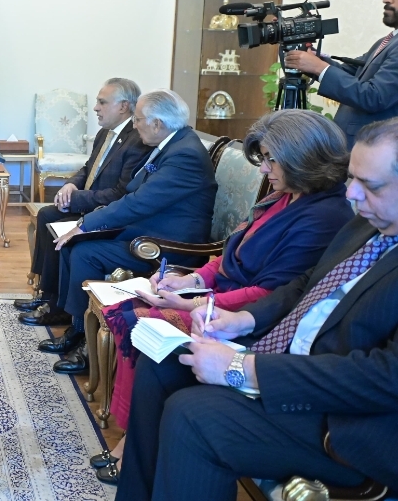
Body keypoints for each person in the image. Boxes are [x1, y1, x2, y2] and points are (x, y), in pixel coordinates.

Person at [116, 117, 398, 501]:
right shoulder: (366, 224)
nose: (352, 193)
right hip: (293, 360)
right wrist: (242, 320)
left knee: (193, 415)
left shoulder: (334, 214)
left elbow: (385, 378)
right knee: (163, 360)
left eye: (371, 185)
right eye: (352, 178)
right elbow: (306, 283)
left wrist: (243, 368)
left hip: (349, 419)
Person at [39, 90, 217, 375]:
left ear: (157, 123)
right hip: (145, 230)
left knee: (85, 251)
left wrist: (84, 224)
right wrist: (87, 225)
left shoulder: (185, 155)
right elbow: (135, 194)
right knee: (74, 244)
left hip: (166, 246)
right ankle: (77, 327)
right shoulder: (172, 144)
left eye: (138, 119)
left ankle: (87, 347)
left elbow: (138, 202)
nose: (134, 125)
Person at [17, 78, 151, 327]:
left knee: (57, 226)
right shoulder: (105, 133)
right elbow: (88, 168)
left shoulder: (137, 141)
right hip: (90, 202)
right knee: (47, 215)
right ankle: (48, 294)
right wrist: (71, 185)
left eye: (102, 102)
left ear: (123, 107)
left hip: (105, 213)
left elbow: (120, 193)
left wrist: (76, 199)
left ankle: (60, 309)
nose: (96, 108)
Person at [285, 0, 398, 148]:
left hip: (373, 150)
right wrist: (313, 59)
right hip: (355, 147)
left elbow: (374, 97)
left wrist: (319, 68)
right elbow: (353, 72)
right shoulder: (388, 41)